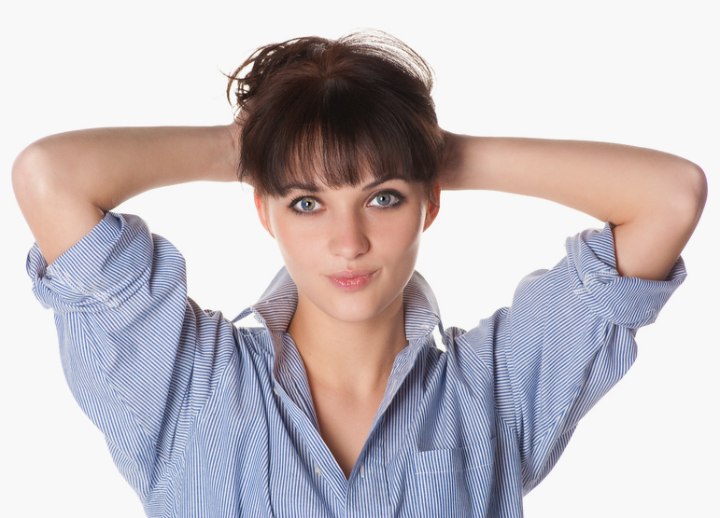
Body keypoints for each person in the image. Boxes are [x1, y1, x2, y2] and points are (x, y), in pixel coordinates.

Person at [12, 30, 705, 517]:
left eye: (384, 197)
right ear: (265, 210)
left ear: (429, 203)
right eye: (308, 202)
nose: (349, 242)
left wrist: (427, 151)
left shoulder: (497, 389)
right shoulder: (184, 384)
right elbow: (50, 176)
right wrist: (253, 142)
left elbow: (669, 196)